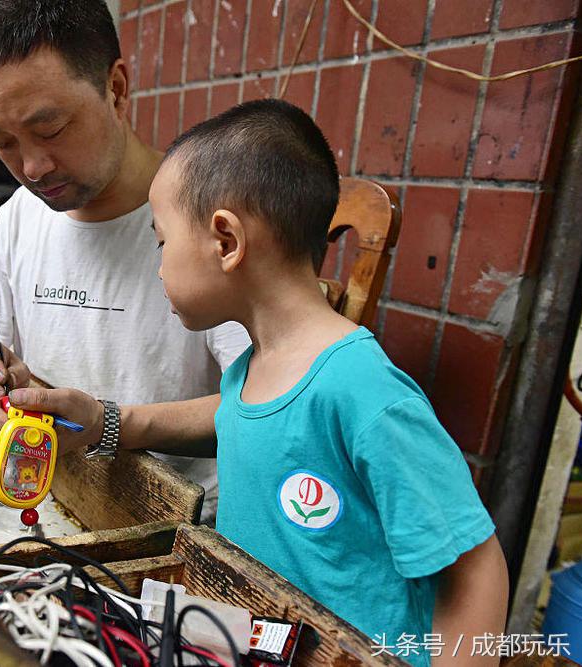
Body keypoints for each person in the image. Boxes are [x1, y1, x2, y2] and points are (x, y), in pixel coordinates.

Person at [145, 99, 508, 666]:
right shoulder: (248, 370)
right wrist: (106, 420)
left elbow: (476, 567)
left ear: (226, 241)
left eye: (162, 240)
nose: (159, 264)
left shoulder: (362, 390)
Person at [0, 0, 249, 522]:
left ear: (117, 88)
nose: (32, 167)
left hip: (176, 531)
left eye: (51, 129)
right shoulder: (22, 215)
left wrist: (109, 424)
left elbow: (273, 411)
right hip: (51, 500)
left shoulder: (206, 220)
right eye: (3, 143)